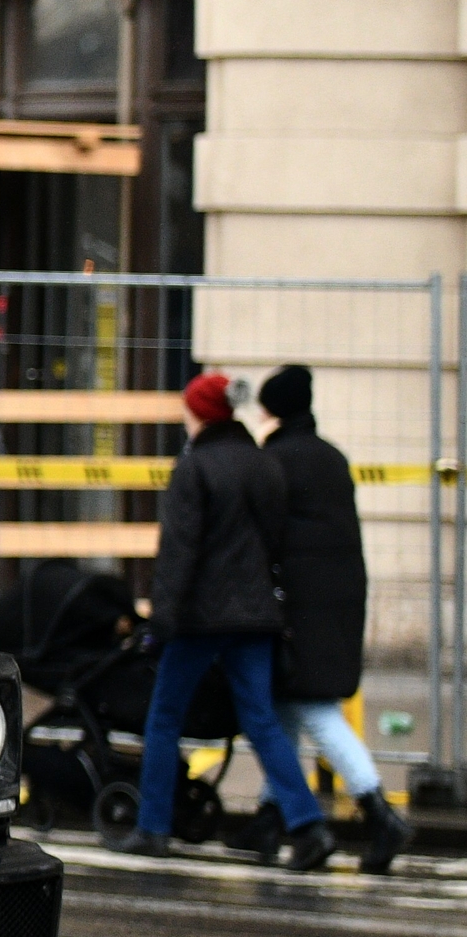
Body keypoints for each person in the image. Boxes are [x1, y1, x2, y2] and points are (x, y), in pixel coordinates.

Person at [109, 370, 332, 867]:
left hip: (199, 619)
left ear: (199, 413)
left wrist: (162, 620)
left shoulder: (195, 468)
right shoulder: (263, 463)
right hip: (255, 616)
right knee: (262, 721)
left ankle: (153, 828)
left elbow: (179, 552)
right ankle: (309, 825)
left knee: (164, 718)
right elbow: (273, 541)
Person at [226, 365, 413, 872]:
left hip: (299, 604)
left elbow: (265, 534)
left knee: (314, 710)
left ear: (273, 409)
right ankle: (271, 814)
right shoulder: (331, 457)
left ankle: (380, 814)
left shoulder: (276, 460)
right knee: (284, 707)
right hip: (338, 598)